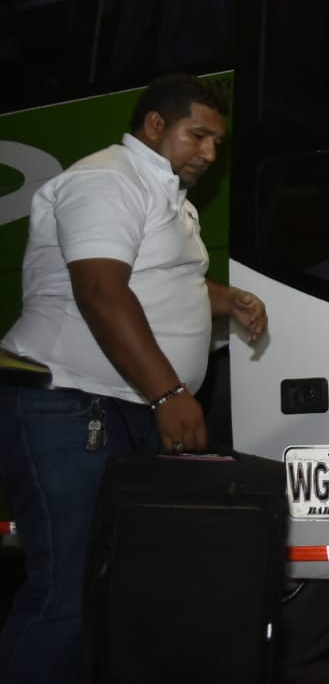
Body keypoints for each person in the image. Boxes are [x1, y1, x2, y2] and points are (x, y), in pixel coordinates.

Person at [0, 74, 268, 683]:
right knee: (67, 591)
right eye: (197, 135)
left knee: (116, 589)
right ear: (154, 126)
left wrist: (226, 299)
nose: (209, 153)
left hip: (116, 407)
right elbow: (100, 289)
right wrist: (169, 392)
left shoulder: (169, 197)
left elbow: (155, 278)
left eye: (216, 142)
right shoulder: (107, 179)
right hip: (68, 406)